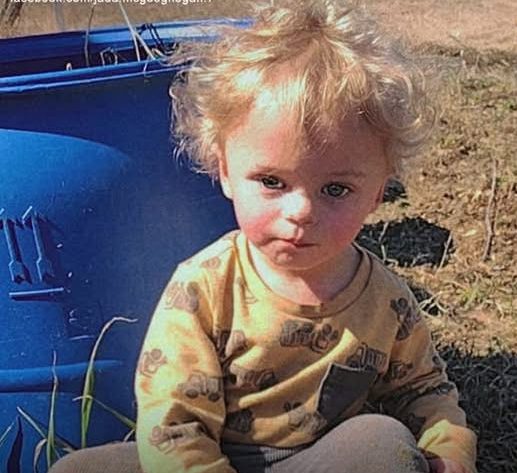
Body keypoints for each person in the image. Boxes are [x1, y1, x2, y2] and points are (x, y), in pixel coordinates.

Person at [49, 1, 477, 472]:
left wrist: (448, 450)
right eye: (272, 182)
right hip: (207, 455)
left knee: (381, 442)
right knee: (77, 470)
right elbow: (173, 421)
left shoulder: (386, 300)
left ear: (378, 191)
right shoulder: (204, 287)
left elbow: (423, 390)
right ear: (224, 170)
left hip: (315, 462)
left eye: (336, 189)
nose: (301, 212)